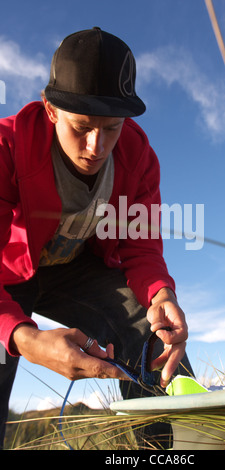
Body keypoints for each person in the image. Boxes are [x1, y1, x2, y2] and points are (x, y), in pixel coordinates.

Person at [0, 27, 193, 449]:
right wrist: (23, 338)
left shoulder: (139, 158)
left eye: (111, 127)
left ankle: (178, 448)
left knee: (147, 329)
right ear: (51, 109)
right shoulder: (6, 146)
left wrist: (161, 295)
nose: (96, 146)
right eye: (82, 127)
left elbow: (140, 246)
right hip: (9, 273)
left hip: (79, 270)